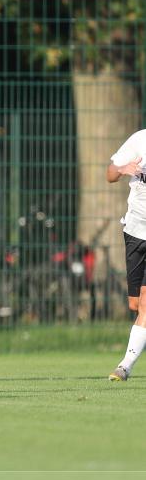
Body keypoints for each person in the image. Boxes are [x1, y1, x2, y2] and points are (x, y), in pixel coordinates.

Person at [106, 130, 146, 381]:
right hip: (134, 231)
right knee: (135, 305)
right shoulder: (140, 139)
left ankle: (125, 365)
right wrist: (123, 169)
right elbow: (109, 174)